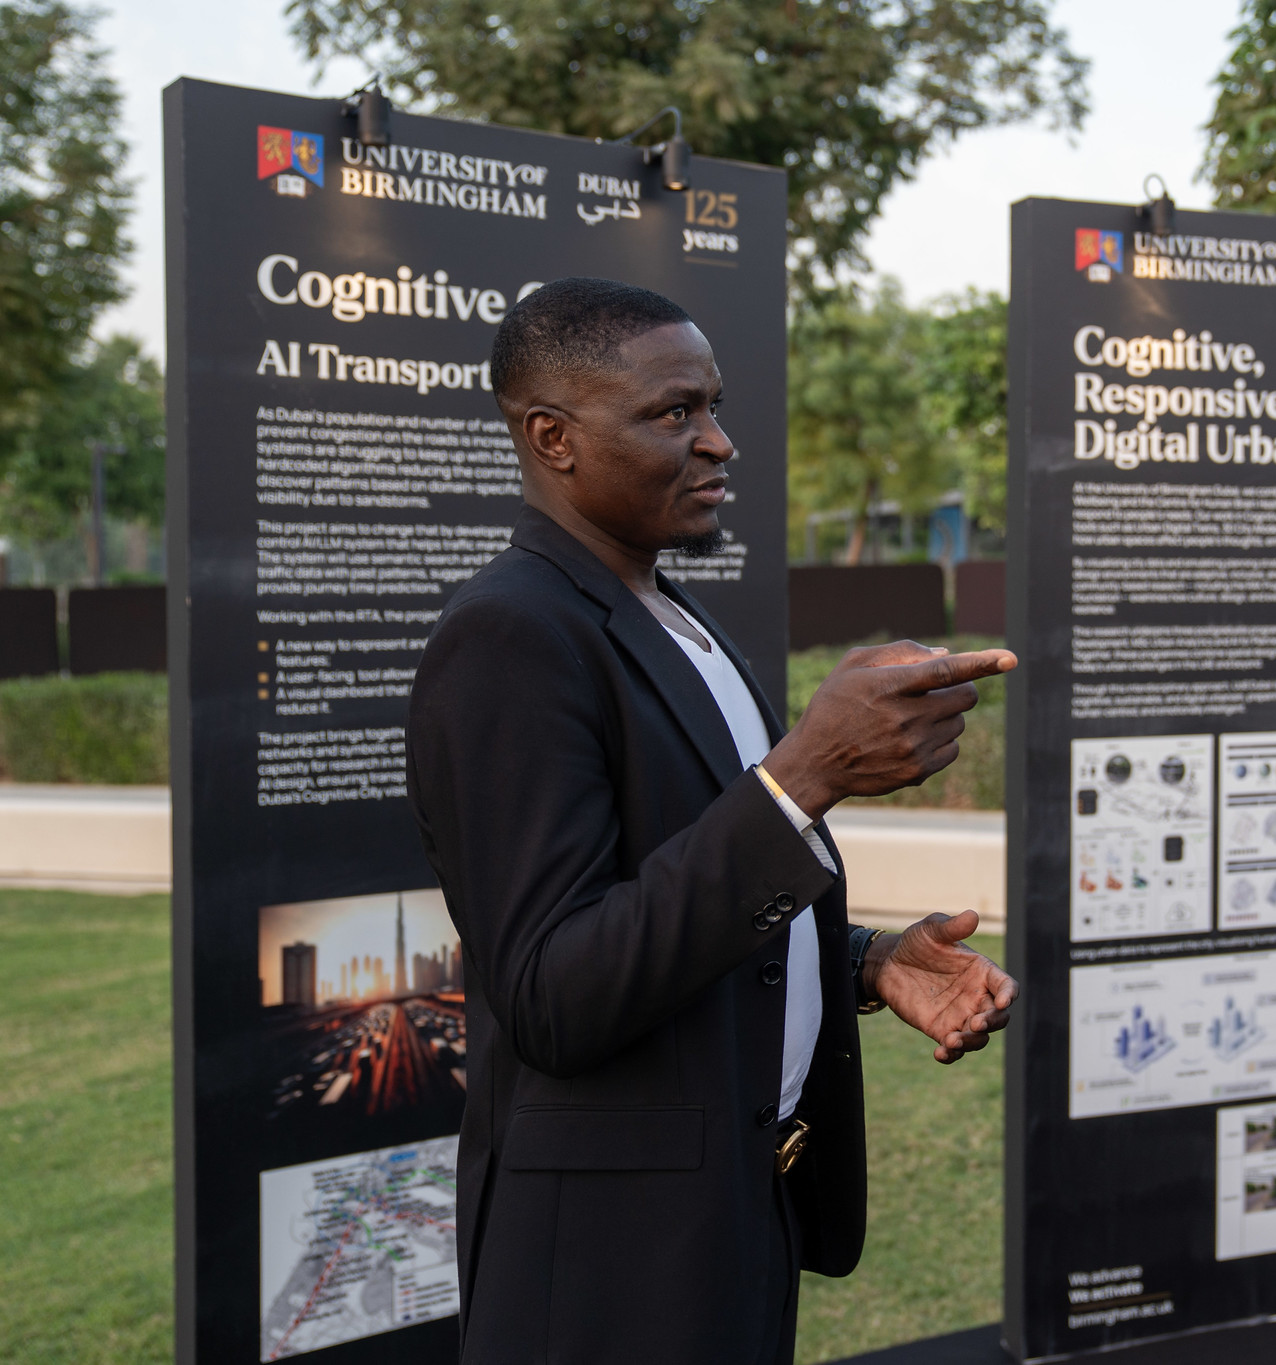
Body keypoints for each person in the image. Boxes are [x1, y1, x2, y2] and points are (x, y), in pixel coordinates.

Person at [406, 278, 1018, 1365]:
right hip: (609, 1263)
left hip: (736, 1213)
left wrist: (866, 961)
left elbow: (676, 889)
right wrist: (802, 781)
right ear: (551, 437)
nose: (720, 441)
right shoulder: (509, 635)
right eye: (672, 413)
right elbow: (553, 992)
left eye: (714, 406)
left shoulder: (670, 614)